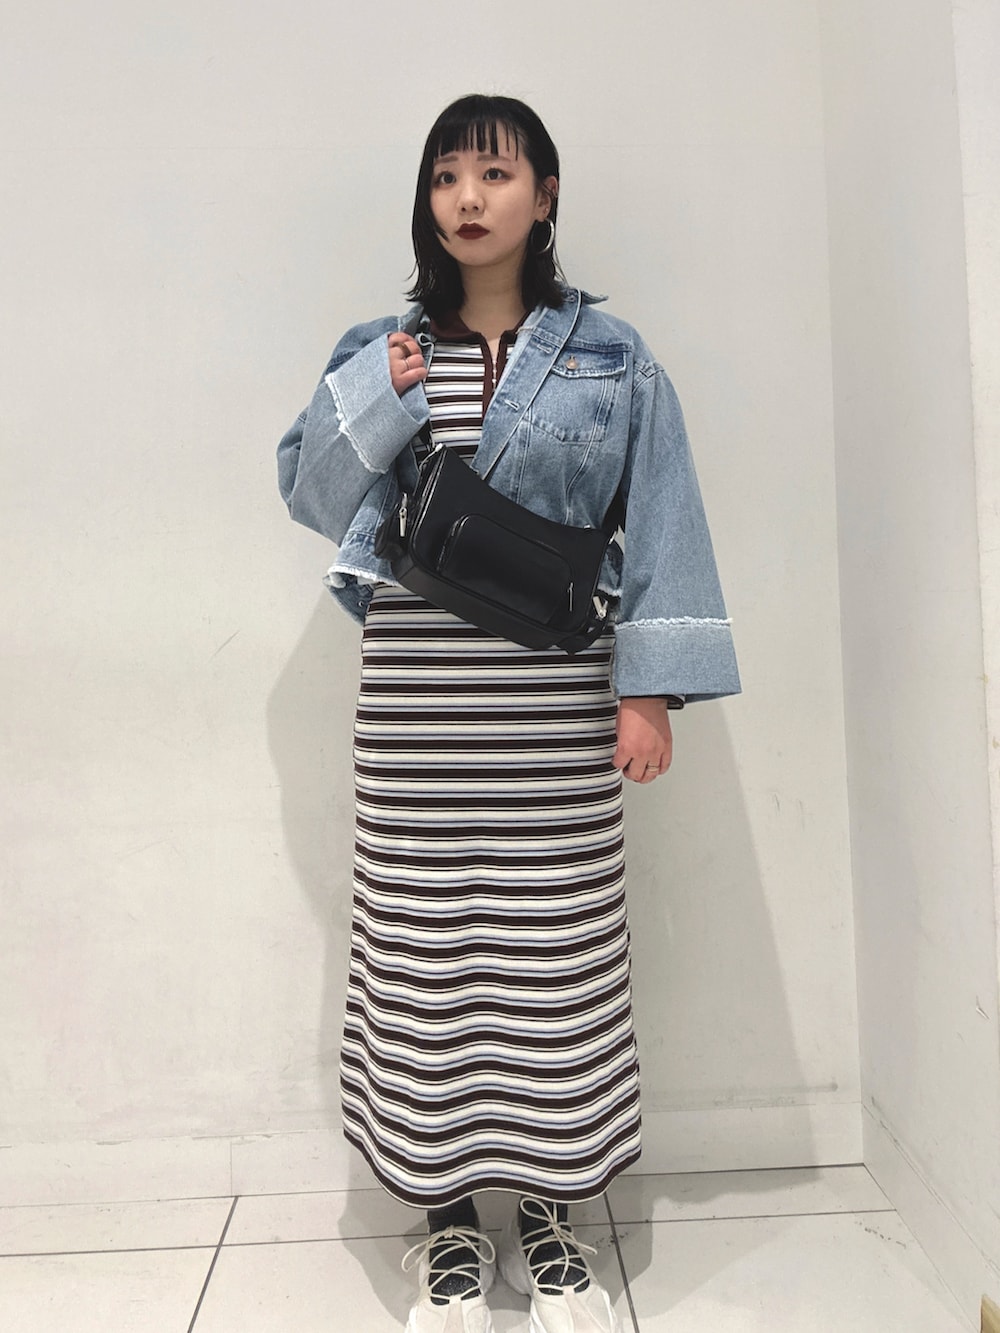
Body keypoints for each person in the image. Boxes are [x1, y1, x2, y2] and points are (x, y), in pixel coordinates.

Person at [278, 93, 739, 1333]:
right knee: (425, 959)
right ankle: (444, 1219)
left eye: (493, 172)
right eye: (445, 175)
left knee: (555, 962)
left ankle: (547, 1206)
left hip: (552, 711)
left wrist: (647, 688)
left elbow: (664, 514)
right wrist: (379, 396)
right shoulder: (381, 345)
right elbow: (309, 495)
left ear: (544, 195)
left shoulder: (611, 356)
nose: (467, 198)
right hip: (419, 713)